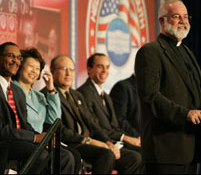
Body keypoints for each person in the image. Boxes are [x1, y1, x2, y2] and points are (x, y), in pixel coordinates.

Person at [134, 0, 201, 174]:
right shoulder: (151, 51)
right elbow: (150, 96)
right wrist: (186, 114)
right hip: (165, 150)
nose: (184, 21)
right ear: (162, 20)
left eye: (186, 17)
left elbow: (193, 97)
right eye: (177, 16)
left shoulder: (187, 52)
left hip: (190, 149)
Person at [47, 55, 142, 174]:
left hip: (92, 141)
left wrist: (107, 142)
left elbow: (92, 123)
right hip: (73, 143)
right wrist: (90, 141)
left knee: (133, 158)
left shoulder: (76, 95)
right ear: (52, 71)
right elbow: (61, 130)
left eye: (71, 70)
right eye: (63, 69)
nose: (68, 73)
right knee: (106, 154)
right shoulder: (49, 95)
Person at [11, 47, 76, 174]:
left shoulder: (39, 96)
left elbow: (54, 120)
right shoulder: (11, 91)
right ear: (20, 67)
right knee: (65, 157)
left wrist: (51, 90)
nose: (34, 71)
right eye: (31, 66)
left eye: (37, 68)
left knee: (73, 156)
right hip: (26, 140)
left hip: (41, 142)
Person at [77, 53, 142, 153]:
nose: (104, 71)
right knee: (136, 156)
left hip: (114, 141)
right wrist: (124, 138)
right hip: (99, 143)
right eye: (100, 66)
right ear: (89, 69)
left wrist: (128, 138)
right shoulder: (83, 93)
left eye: (107, 67)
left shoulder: (106, 96)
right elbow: (94, 126)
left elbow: (115, 126)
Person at [0, 42, 48, 173]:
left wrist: (42, 138)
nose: (15, 61)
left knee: (67, 156)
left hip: (19, 140)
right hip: (4, 143)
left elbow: (24, 124)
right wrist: (33, 138)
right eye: (11, 56)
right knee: (40, 155)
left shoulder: (17, 91)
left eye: (19, 58)